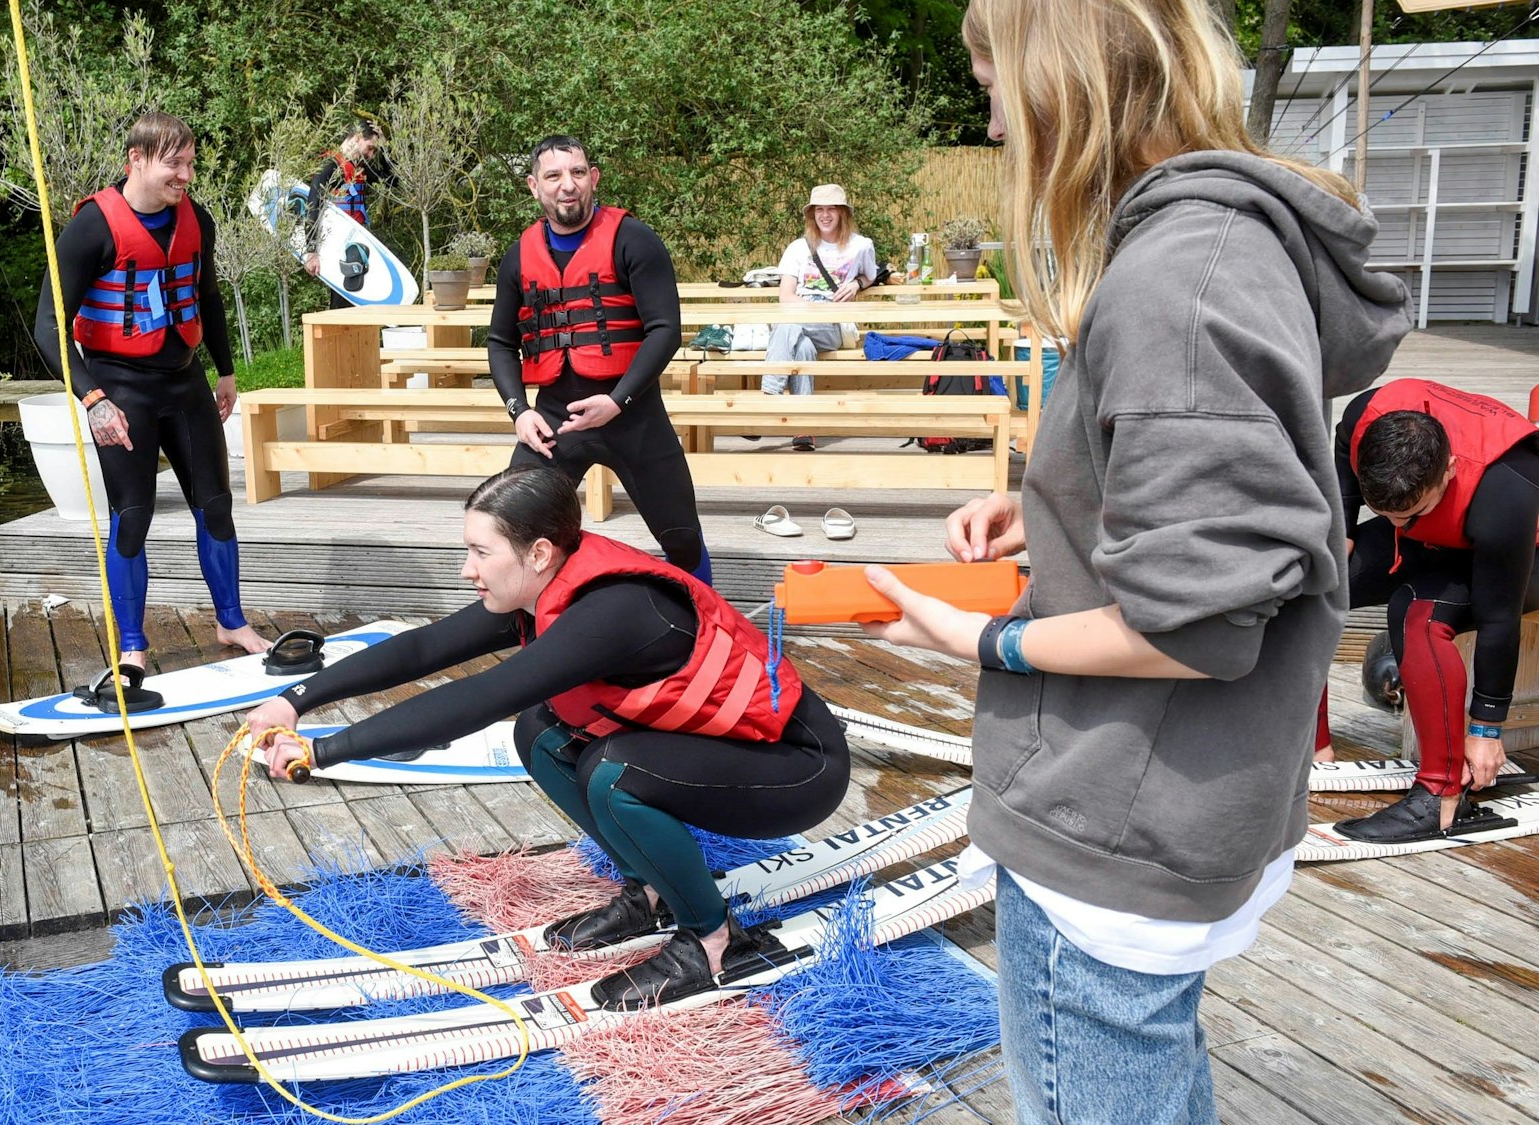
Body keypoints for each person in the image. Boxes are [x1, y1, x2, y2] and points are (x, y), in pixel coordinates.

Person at [855, 1, 1411, 1120]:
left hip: (1115, 818)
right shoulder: (1233, 249)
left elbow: (1191, 625)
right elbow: (1237, 493)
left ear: (1062, 82)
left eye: (995, 93)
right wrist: (1060, 505)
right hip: (1193, 793)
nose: (999, 136)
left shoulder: (1177, 279)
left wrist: (977, 636)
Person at [244, 465, 849, 1006]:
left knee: (613, 772)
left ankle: (716, 940)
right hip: (729, 753)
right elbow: (424, 647)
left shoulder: (617, 610)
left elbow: (478, 698)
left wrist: (324, 751)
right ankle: (654, 893)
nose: (467, 570)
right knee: (542, 732)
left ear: (537, 552)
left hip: (797, 770)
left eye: (480, 553)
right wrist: (294, 699)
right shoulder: (545, 579)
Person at [33, 112, 270, 708]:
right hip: (120, 390)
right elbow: (47, 326)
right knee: (131, 517)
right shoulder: (92, 228)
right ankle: (133, 645)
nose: (186, 175)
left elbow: (207, 296)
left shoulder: (197, 220)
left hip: (185, 383)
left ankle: (231, 622)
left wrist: (226, 369)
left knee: (215, 505)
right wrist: (92, 400)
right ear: (136, 160)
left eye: (191, 163)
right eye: (175, 164)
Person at [1316, 379, 1539, 842]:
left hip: (1523, 552)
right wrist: (1345, 525)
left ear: (1449, 469)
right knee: (1313, 582)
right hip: (1437, 530)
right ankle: (1311, 746)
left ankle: (1440, 797)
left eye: (1410, 510)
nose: (1398, 522)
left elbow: (1500, 619)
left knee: (1418, 610)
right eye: (1389, 512)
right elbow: (1343, 454)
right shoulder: (1366, 414)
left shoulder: (1507, 488)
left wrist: (1485, 729)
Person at [486, 135, 711, 584]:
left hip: (633, 416)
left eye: (577, 173)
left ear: (593, 178)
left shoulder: (634, 239)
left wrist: (618, 400)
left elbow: (665, 330)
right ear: (535, 187)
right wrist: (519, 411)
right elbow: (499, 341)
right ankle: (530, 627)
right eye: (553, 176)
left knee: (682, 539)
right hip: (553, 423)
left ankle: (703, 627)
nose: (567, 185)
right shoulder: (519, 255)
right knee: (514, 531)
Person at [765, 184, 879, 452]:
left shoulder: (861, 246)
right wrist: (811, 309)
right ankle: (804, 429)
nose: (825, 215)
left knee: (787, 324)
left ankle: (768, 395)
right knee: (801, 346)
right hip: (800, 316)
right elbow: (786, 296)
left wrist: (858, 284)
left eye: (831, 209)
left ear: (842, 213)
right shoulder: (798, 248)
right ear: (812, 215)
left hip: (834, 324)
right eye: (819, 210)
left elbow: (872, 275)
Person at [301, 121, 391, 310]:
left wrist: (385, 149)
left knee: (356, 299)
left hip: (356, 241)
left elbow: (391, 179)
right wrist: (311, 252)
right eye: (371, 148)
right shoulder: (328, 167)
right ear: (357, 138)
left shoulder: (359, 168)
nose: (371, 154)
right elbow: (312, 206)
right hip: (336, 244)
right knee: (341, 303)